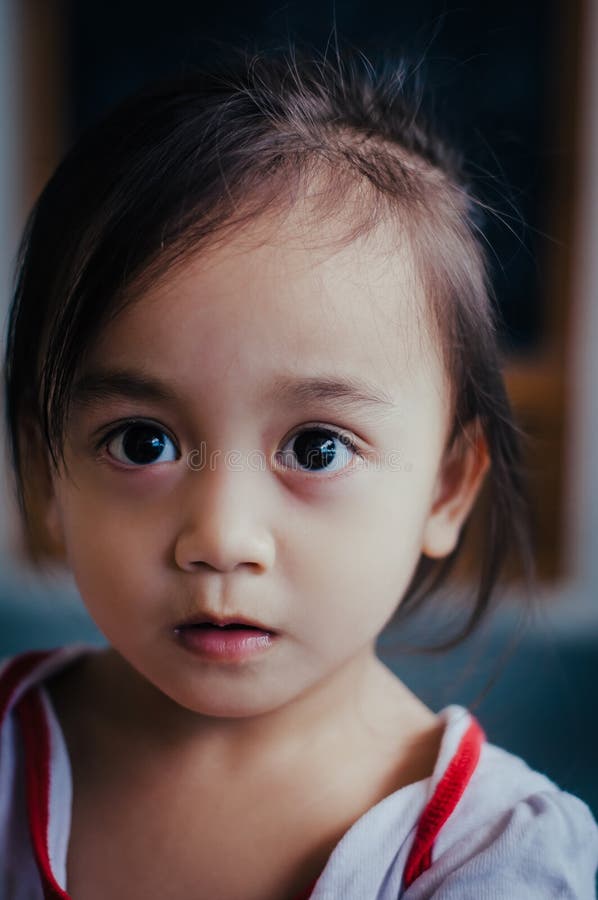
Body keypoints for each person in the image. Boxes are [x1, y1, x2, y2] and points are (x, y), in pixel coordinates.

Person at [1, 45, 597, 899]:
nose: (221, 539)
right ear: (44, 470)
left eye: (316, 448)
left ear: (446, 487)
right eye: (141, 442)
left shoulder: (489, 857)